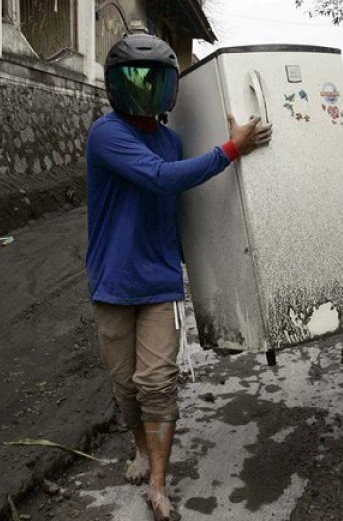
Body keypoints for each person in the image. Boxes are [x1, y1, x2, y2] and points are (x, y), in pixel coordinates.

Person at [85, 33, 271, 521]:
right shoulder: (107, 134)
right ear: (115, 86)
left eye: (154, 80)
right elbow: (162, 178)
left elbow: (189, 201)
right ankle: (140, 448)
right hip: (112, 281)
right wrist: (230, 148)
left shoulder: (172, 139)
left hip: (160, 280)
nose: (144, 90)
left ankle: (158, 481)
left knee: (158, 381)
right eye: (134, 80)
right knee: (125, 384)